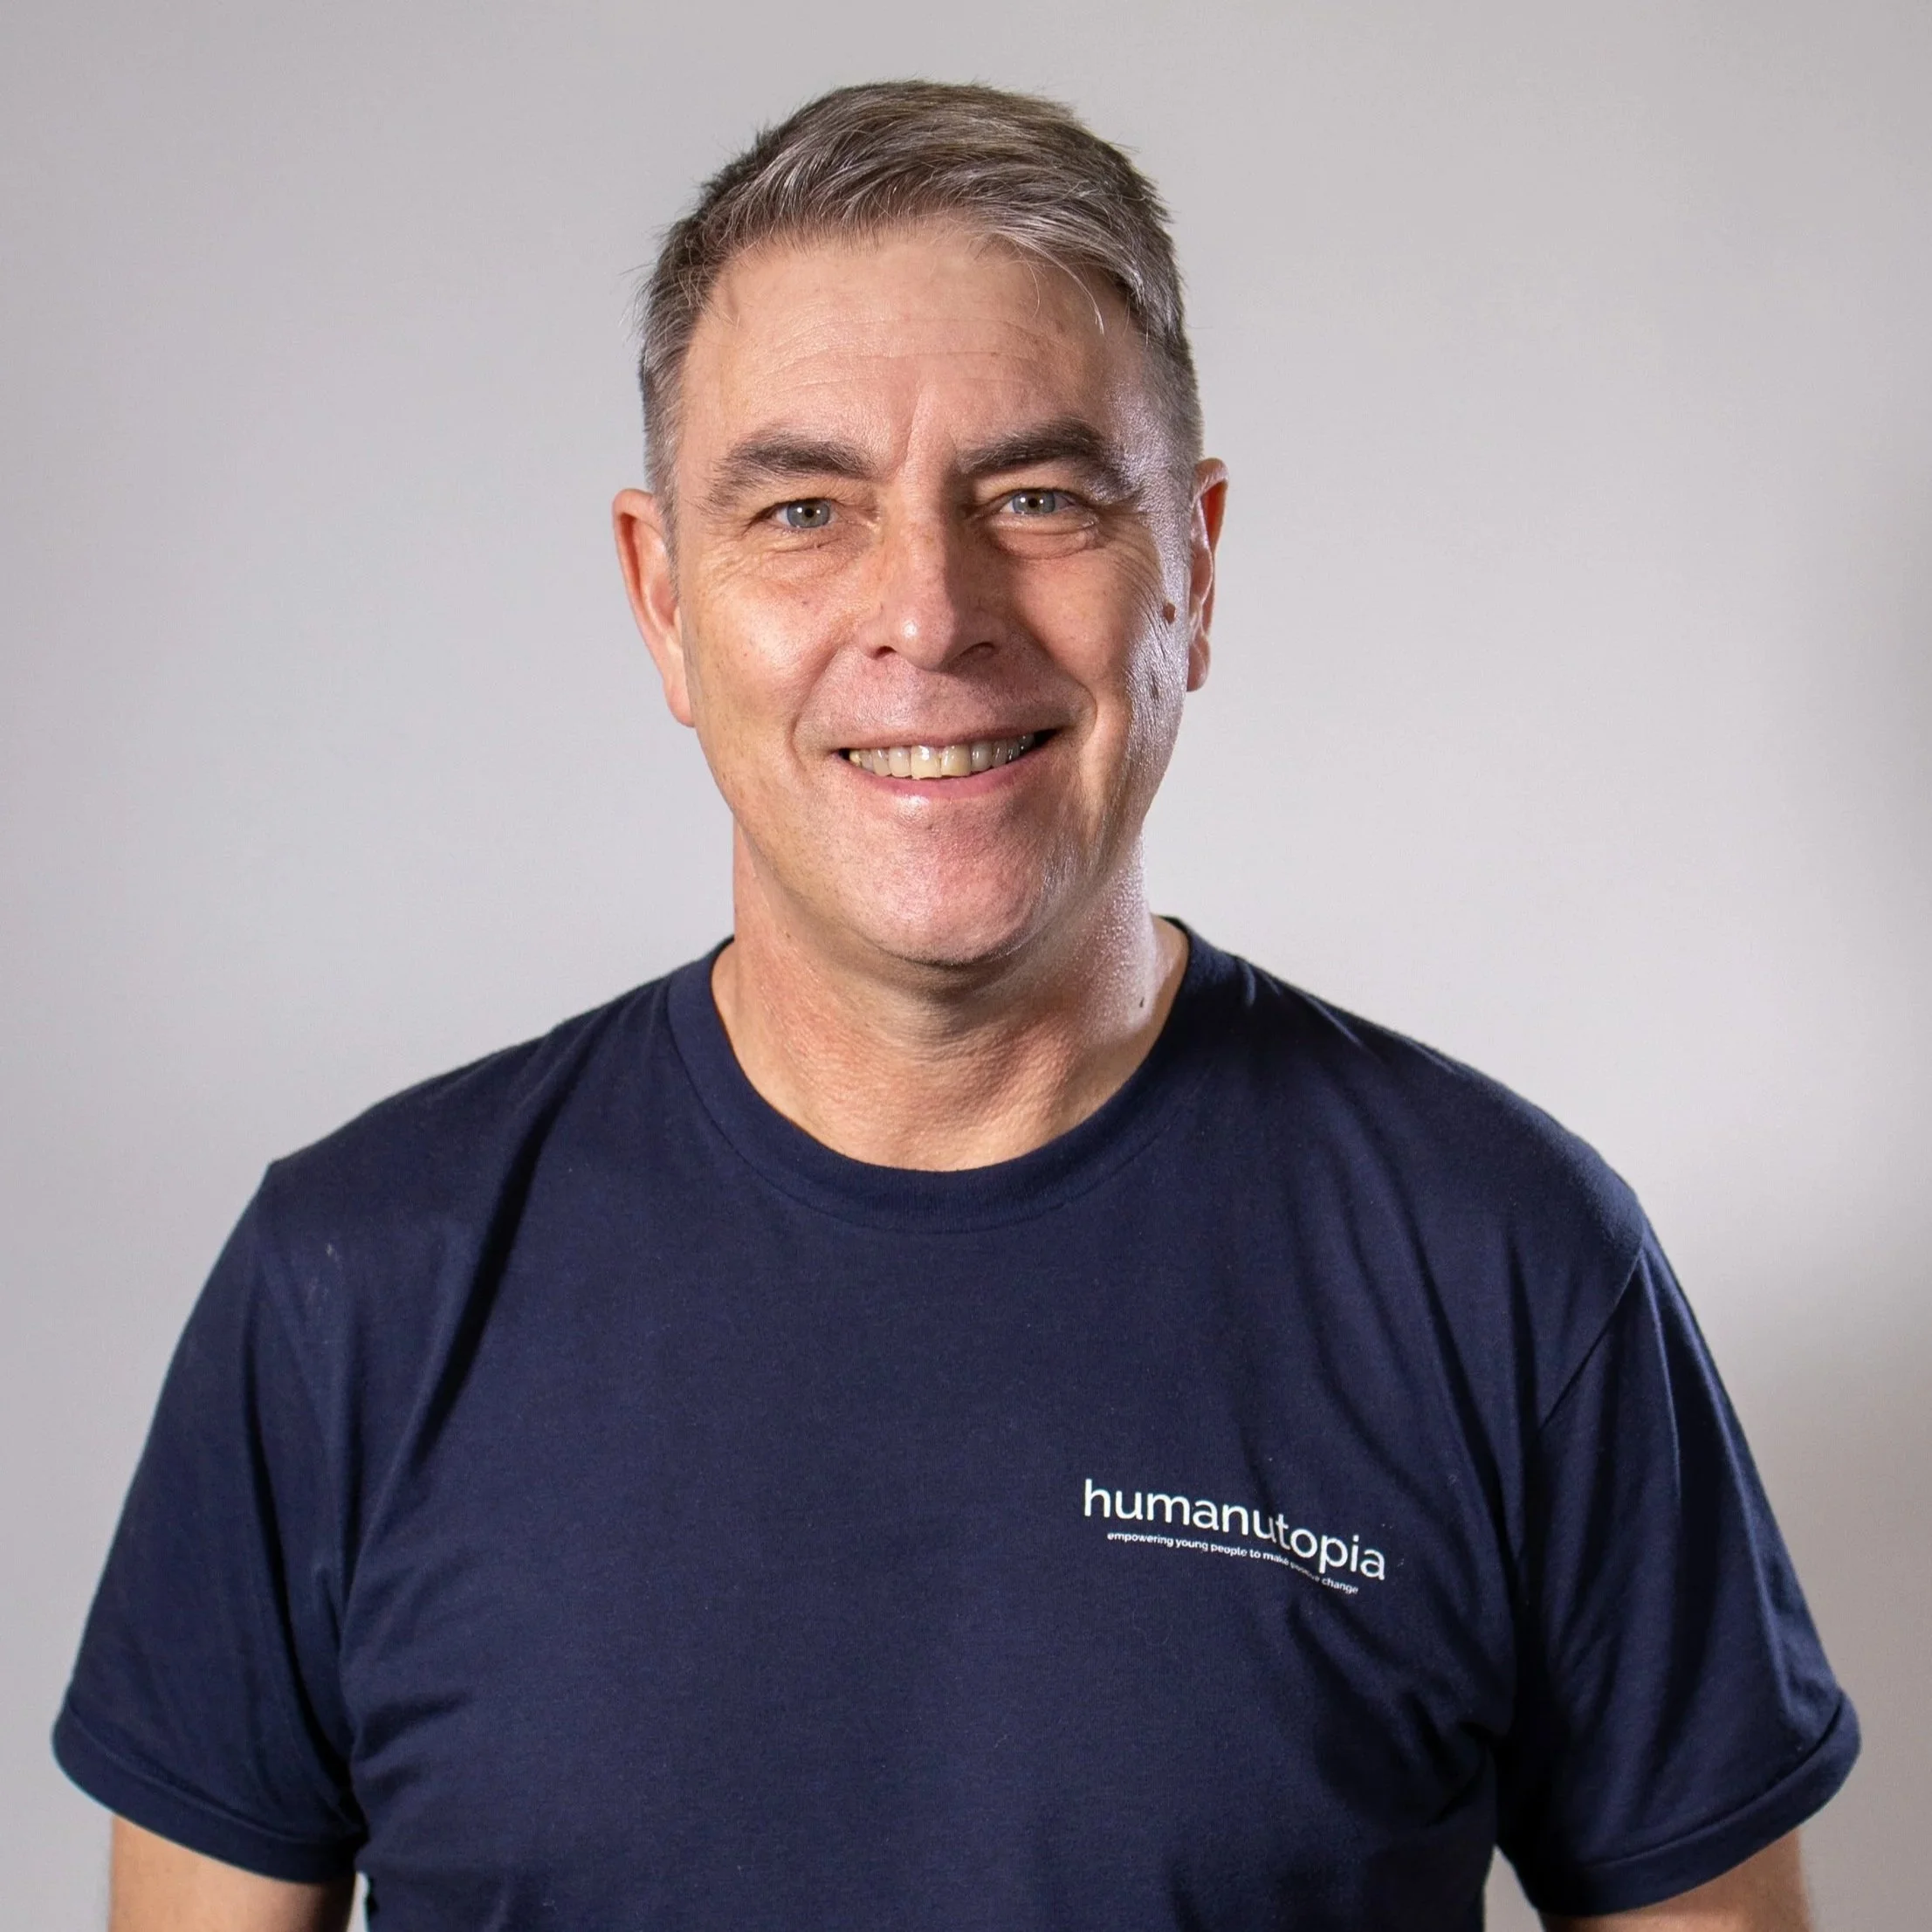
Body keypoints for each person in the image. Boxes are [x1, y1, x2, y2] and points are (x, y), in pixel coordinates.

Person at [55, 80, 1855, 1932]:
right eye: (805, 505)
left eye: (1038, 494)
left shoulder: (1509, 1270)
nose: (927, 607)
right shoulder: (353, 1287)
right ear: (660, 595)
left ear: (1195, 566)